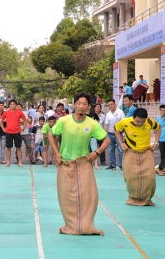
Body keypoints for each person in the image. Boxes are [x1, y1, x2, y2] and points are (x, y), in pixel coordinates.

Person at [48, 92, 110, 235]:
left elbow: (106, 140)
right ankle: (71, 225)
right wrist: (56, 152)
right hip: (65, 163)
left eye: (85, 104)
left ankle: (86, 225)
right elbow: (51, 134)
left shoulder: (92, 123)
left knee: (88, 196)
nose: (81, 106)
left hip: (84, 164)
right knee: (66, 197)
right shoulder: (64, 121)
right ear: (74, 104)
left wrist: (97, 152)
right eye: (79, 103)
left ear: (89, 106)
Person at [115, 108, 160, 206]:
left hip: (146, 151)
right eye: (138, 121)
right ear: (133, 117)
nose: (140, 123)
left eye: (142, 121)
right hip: (131, 151)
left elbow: (158, 128)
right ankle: (133, 198)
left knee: (150, 177)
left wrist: (156, 142)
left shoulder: (149, 122)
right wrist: (121, 143)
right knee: (130, 177)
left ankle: (147, 199)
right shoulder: (125, 122)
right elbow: (116, 129)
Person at [1, 99, 27, 167]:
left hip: (17, 132)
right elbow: (1, 120)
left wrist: (23, 128)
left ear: (16, 105)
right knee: (8, 148)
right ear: (9, 105)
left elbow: (25, 120)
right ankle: (8, 162)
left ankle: (20, 162)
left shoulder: (19, 112)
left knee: (18, 148)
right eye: (11, 104)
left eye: (14, 104)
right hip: (8, 132)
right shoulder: (6, 112)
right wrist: (3, 129)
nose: (12, 105)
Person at [105, 99, 125, 170]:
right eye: (109, 105)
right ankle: (112, 165)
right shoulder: (108, 114)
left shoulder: (120, 112)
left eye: (111, 104)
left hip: (119, 134)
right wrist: (106, 135)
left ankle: (122, 165)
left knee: (120, 150)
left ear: (115, 104)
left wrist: (123, 130)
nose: (110, 106)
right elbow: (107, 125)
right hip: (110, 134)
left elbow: (123, 122)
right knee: (111, 150)